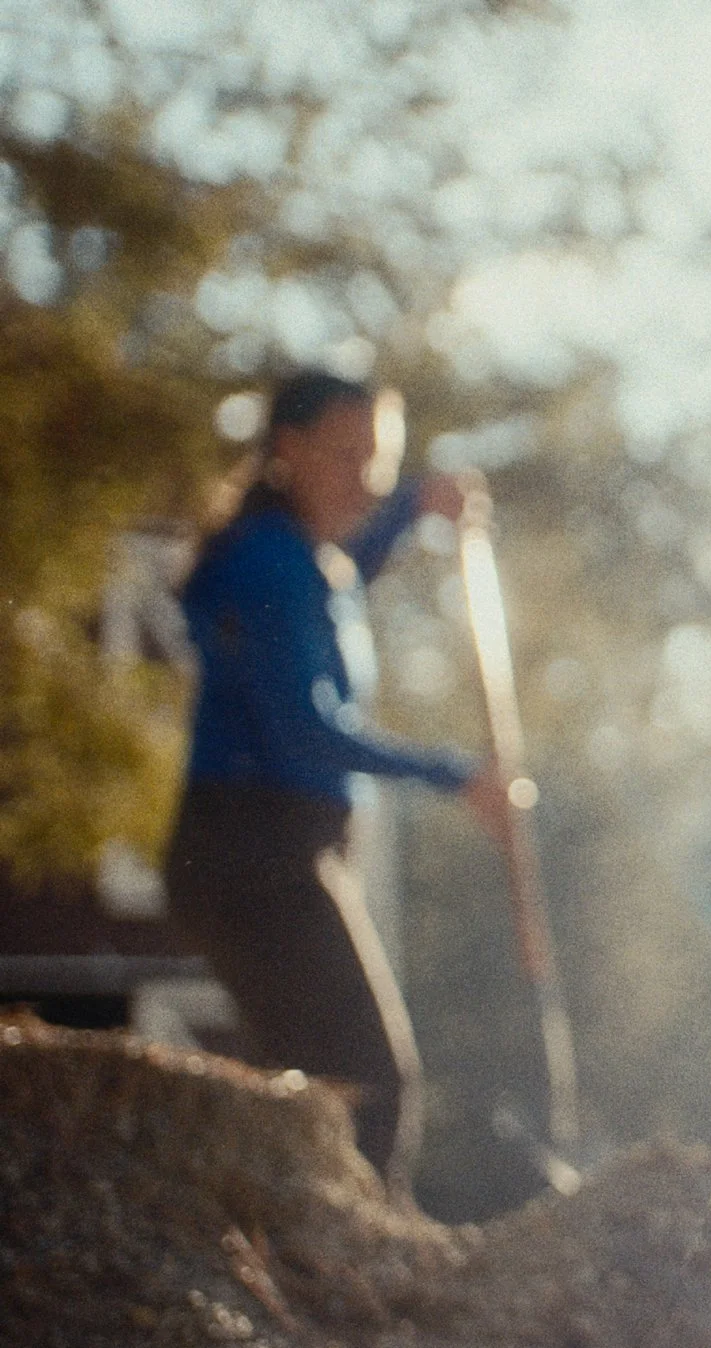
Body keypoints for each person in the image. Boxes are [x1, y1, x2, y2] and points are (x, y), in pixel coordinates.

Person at [166, 371, 504, 1195]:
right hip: (255, 858)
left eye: (380, 459)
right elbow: (304, 730)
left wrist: (416, 506)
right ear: (288, 449)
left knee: (321, 1090)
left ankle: (301, 1262)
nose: (368, 478)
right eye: (349, 455)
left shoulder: (301, 554)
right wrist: (454, 774)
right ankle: (345, 1276)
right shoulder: (274, 564)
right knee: (366, 1087)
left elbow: (349, 558)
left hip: (271, 856)